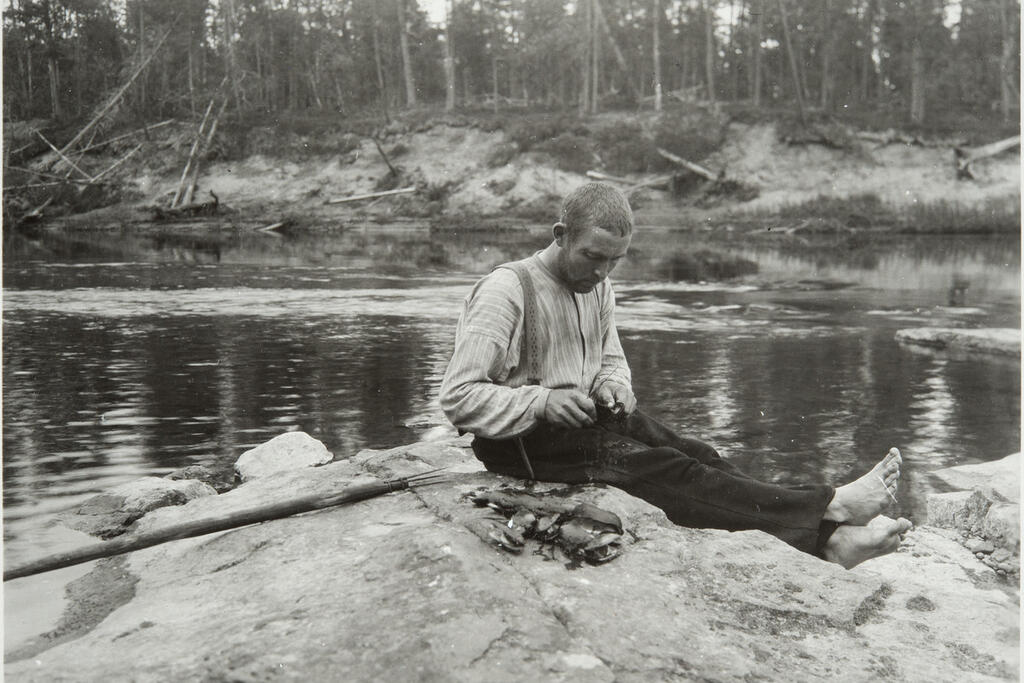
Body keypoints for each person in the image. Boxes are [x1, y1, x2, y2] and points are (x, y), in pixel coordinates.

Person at [439, 182, 912, 569]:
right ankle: (827, 508)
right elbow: (459, 396)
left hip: (579, 424)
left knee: (697, 453)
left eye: (615, 260)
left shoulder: (598, 287)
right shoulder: (506, 290)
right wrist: (538, 402)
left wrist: (613, 387)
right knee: (669, 472)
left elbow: (610, 360)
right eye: (593, 256)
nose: (603, 272)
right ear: (560, 234)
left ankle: (830, 540)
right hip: (521, 444)